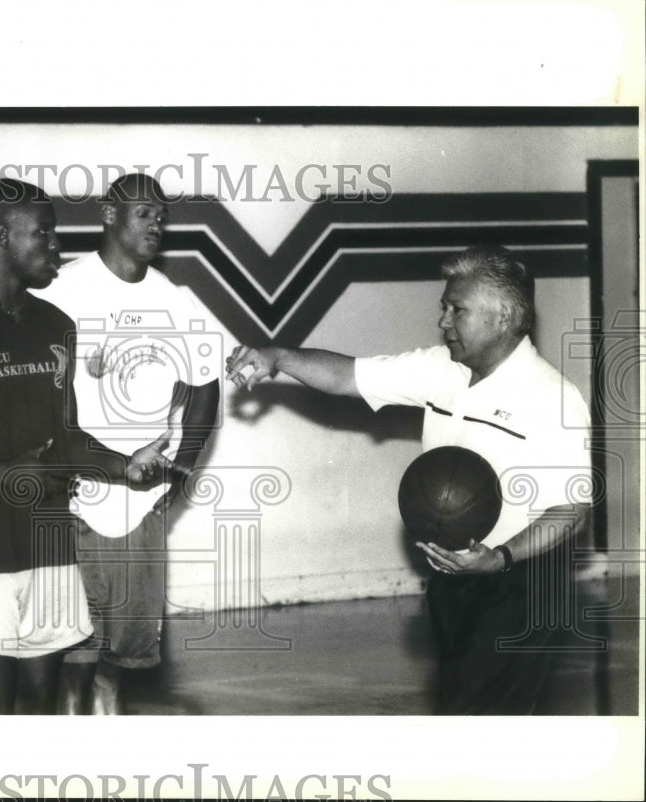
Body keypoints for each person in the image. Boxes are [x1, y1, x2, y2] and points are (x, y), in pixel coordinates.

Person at [226, 244, 592, 714]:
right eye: (444, 307)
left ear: (503, 319)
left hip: (520, 583)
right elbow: (347, 377)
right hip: (452, 577)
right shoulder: (440, 369)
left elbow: (571, 511)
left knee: (475, 718)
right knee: (469, 714)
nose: (443, 321)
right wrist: (276, 356)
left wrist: (499, 558)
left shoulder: (553, 399)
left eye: (457, 310)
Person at [0, 179, 168, 714]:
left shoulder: (56, 326)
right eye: (43, 233)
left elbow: (67, 440)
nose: (56, 246)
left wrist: (124, 466)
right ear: (2, 236)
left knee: (41, 710)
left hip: (50, 550)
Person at [41, 174, 221, 715]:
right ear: (109, 215)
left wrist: (181, 470)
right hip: (76, 496)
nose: (156, 224)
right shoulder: (60, 288)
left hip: (140, 501)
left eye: (161, 215)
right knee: (75, 652)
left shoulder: (174, 301)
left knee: (121, 658)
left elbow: (206, 389)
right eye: (144, 212)